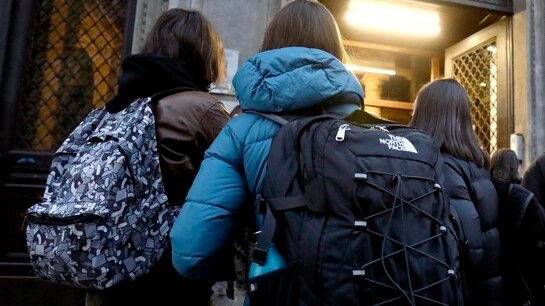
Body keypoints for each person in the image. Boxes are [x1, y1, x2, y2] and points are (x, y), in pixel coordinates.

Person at [170, 0, 363, 300]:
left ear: (271, 45)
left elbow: (190, 252)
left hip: (277, 291)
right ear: (335, 52)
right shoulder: (365, 129)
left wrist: (251, 262)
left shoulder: (241, 131)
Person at [85, 8, 230, 306]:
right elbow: (236, 178)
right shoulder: (203, 109)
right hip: (170, 271)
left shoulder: (118, 106)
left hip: (110, 261)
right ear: (206, 55)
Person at [409, 78, 502, 305]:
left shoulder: (443, 167)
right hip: (487, 288)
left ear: (427, 115)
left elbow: (471, 250)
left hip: (465, 292)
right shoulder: (477, 164)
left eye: (415, 110)